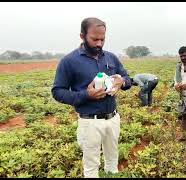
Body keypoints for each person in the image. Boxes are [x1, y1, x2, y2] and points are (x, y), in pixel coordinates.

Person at [51, 17, 132, 178]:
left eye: (102, 39)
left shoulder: (111, 58)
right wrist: (86, 95)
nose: (99, 43)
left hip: (113, 118)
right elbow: (57, 91)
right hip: (90, 122)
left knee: (112, 160)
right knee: (91, 166)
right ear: (82, 36)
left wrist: (122, 81)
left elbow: (127, 78)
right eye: (95, 39)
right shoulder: (69, 61)